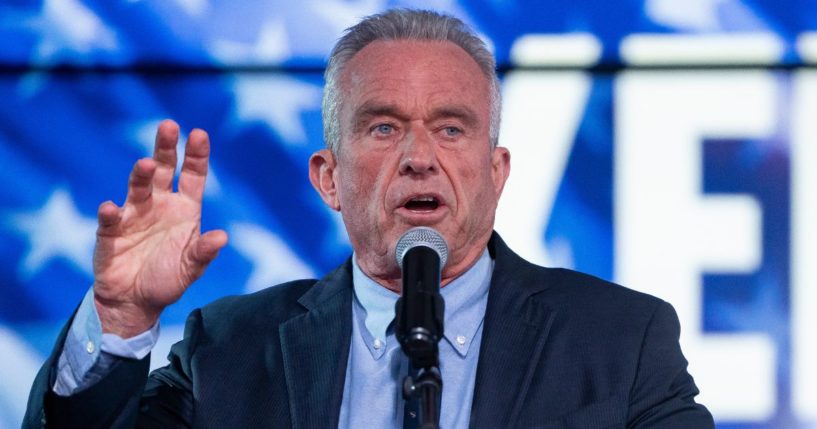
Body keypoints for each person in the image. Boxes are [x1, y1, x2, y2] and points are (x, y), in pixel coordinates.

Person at [24, 8, 714, 428]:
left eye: (450, 129)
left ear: (496, 172)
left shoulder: (621, 341)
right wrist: (121, 320)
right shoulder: (227, 351)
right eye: (383, 129)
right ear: (328, 177)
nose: (419, 157)